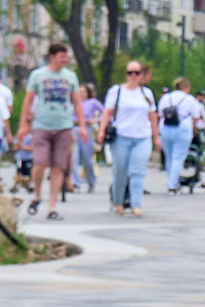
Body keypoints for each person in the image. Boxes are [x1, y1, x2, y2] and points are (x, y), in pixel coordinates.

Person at [21, 43, 82, 218]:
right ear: (52, 56)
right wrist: (24, 125)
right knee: (39, 163)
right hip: (42, 126)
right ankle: (37, 195)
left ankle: (52, 206)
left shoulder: (70, 76)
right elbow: (28, 100)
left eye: (66, 56)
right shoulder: (38, 75)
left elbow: (76, 101)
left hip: (64, 126)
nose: (65, 59)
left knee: (58, 167)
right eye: (62, 56)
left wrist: (82, 126)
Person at [103, 60, 159, 215]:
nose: (133, 76)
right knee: (120, 171)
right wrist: (101, 132)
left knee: (138, 171)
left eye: (137, 73)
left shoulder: (146, 93)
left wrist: (156, 138)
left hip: (142, 137)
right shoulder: (117, 91)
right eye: (130, 73)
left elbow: (152, 116)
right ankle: (117, 202)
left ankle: (136, 204)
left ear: (142, 74)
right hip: (121, 136)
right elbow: (107, 112)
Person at [158, 78, 197, 191]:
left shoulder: (166, 98)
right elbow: (195, 116)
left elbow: (160, 114)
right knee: (178, 156)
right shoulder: (189, 99)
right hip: (183, 127)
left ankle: (171, 180)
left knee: (169, 157)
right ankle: (173, 184)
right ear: (185, 87)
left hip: (165, 127)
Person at [73, 84, 103, 193]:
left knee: (87, 159)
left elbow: (104, 111)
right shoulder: (73, 102)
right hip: (74, 128)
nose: (81, 94)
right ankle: (75, 183)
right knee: (73, 157)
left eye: (83, 92)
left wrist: (96, 120)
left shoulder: (92, 102)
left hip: (87, 130)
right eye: (79, 92)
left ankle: (91, 181)